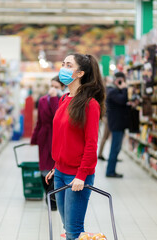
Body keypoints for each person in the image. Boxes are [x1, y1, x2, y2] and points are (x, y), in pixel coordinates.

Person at [45, 53, 105, 240]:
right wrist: (56, 166)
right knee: (67, 227)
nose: (63, 68)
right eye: (63, 63)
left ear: (79, 73)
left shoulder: (90, 104)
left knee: (73, 230)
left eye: (68, 65)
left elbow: (90, 143)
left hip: (77, 177)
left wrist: (81, 175)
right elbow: (64, 137)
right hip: (60, 173)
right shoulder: (64, 100)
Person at [31, 76, 65, 210]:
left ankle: (53, 198)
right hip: (44, 137)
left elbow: (57, 115)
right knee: (44, 167)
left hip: (57, 137)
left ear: (62, 88)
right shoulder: (42, 100)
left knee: (54, 167)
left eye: (56, 87)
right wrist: (34, 138)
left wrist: (54, 98)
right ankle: (48, 193)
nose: (53, 89)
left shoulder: (63, 101)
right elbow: (39, 121)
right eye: (52, 86)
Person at [106, 72, 129, 178]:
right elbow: (122, 100)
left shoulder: (114, 90)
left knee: (116, 148)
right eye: (119, 80)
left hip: (118, 123)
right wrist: (124, 89)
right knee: (114, 148)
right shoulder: (112, 90)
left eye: (122, 80)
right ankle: (110, 171)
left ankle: (111, 170)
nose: (120, 82)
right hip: (116, 124)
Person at [98, 76, 114, 161]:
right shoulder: (107, 89)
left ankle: (100, 153)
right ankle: (100, 154)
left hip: (106, 115)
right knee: (105, 135)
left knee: (106, 136)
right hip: (108, 115)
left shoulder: (105, 89)